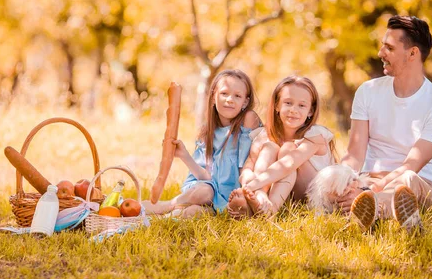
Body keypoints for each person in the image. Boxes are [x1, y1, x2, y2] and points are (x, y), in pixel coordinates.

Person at [336, 15, 432, 232]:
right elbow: (354, 155)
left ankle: (368, 213)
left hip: (419, 186)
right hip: (368, 181)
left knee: (407, 179)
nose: (380, 53)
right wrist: (347, 184)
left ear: (412, 53)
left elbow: (411, 165)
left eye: (389, 48)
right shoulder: (368, 91)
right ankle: (398, 218)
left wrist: (369, 192)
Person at [142, 69, 261, 218]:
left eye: (237, 96)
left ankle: (170, 211)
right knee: (204, 192)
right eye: (224, 93)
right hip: (209, 190)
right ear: (213, 97)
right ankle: (167, 207)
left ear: (245, 102)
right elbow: (205, 176)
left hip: (236, 195)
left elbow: (246, 164)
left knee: (193, 213)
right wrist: (184, 154)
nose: (230, 99)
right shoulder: (207, 132)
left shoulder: (248, 120)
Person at [227, 76, 338, 218]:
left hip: (315, 196)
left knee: (287, 149)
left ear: (310, 111)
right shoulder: (265, 135)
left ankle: (270, 209)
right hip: (286, 196)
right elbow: (249, 164)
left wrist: (253, 185)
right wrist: (247, 177)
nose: (293, 110)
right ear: (277, 106)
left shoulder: (316, 136)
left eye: (301, 105)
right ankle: (259, 201)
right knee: (269, 147)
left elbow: (288, 164)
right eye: (288, 103)